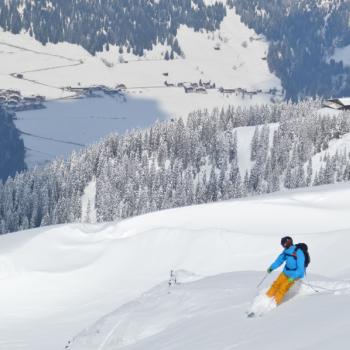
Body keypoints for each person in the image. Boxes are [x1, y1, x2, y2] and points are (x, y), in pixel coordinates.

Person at [266, 236, 305, 305]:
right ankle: (265, 298)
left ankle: (274, 304)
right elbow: (279, 261)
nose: (283, 246)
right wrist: (272, 267)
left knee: (283, 288)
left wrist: (292, 278)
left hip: (294, 275)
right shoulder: (286, 251)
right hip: (285, 272)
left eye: (283, 244)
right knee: (275, 285)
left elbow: (301, 270)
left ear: (288, 242)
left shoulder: (299, 252)